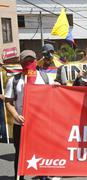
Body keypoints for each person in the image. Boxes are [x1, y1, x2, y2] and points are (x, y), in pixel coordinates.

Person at [5, 50, 53, 180]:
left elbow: (51, 98)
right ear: (20, 63)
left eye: (31, 60)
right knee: (20, 154)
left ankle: (43, 176)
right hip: (21, 124)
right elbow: (8, 102)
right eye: (25, 61)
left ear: (36, 61)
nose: (29, 63)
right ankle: (19, 177)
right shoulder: (13, 81)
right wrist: (16, 116)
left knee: (42, 152)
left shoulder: (45, 78)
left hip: (40, 124)